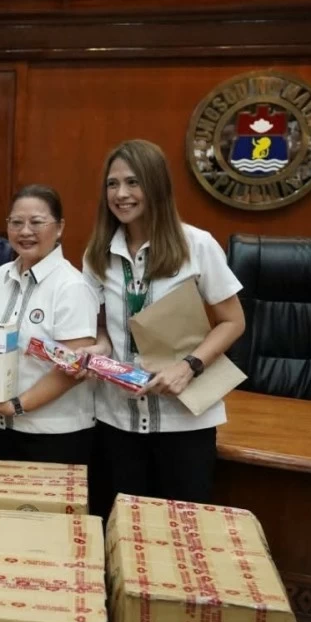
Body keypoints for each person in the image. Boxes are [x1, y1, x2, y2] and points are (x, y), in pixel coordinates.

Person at [81, 139, 245, 519]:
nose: (121, 194)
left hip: (184, 418)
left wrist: (188, 365)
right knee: (119, 526)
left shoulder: (197, 244)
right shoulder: (98, 253)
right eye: (112, 184)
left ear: (156, 185)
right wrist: (100, 349)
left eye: (133, 182)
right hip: (115, 417)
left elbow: (234, 321)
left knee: (179, 532)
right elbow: (101, 326)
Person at [0, 185, 99, 465]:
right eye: (16, 222)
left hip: (54, 432)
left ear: (59, 228)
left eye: (37, 222)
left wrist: (16, 406)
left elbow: (74, 369)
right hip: (3, 425)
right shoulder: (1, 275)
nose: (25, 231)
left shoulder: (71, 286)